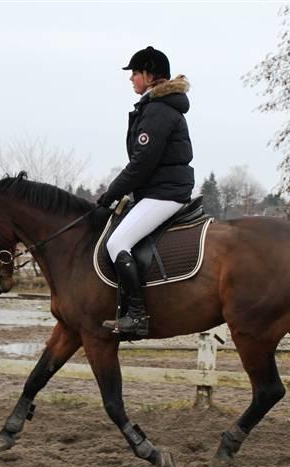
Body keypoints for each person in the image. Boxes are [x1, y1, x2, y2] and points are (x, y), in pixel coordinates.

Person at [97, 46, 195, 337]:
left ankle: (137, 316)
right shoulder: (156, 107)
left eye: (135, 73)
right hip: (158, 190)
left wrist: (109, 195)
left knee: (117, 244)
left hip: (164, 194)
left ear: (150, 76)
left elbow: (141, 164)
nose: (131, 79)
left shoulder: (158, 110)